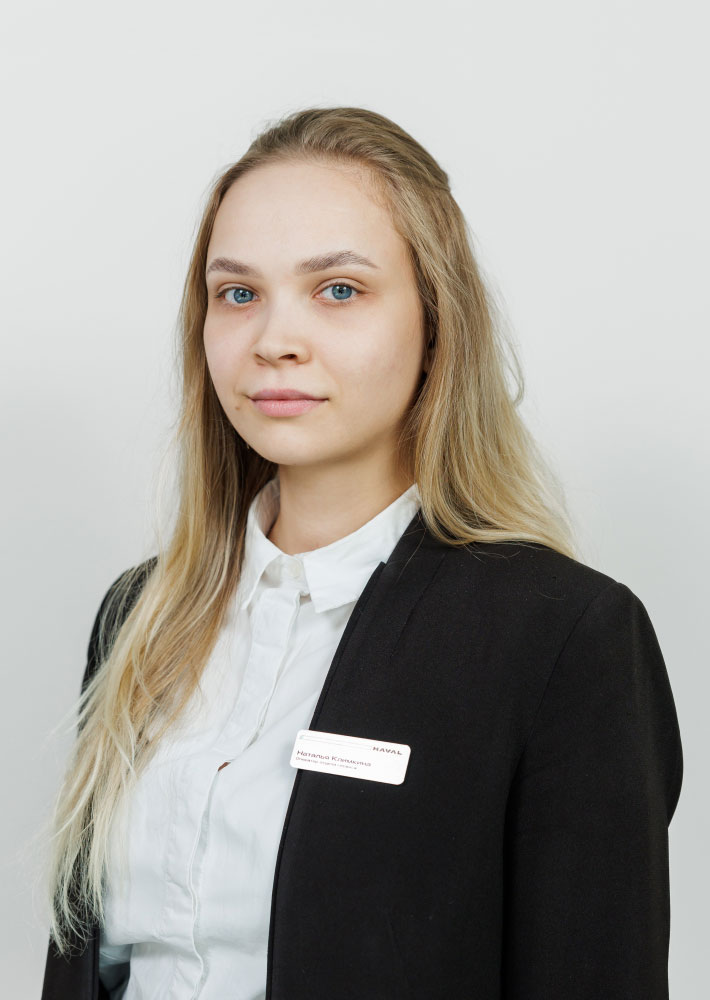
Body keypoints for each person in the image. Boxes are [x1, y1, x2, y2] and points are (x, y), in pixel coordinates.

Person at [40, 106, 683, 1000]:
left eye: (338, 290)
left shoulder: (562, 637)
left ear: (436, 323)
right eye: (238, 294)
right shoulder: (140, 615)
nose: (274, 340)